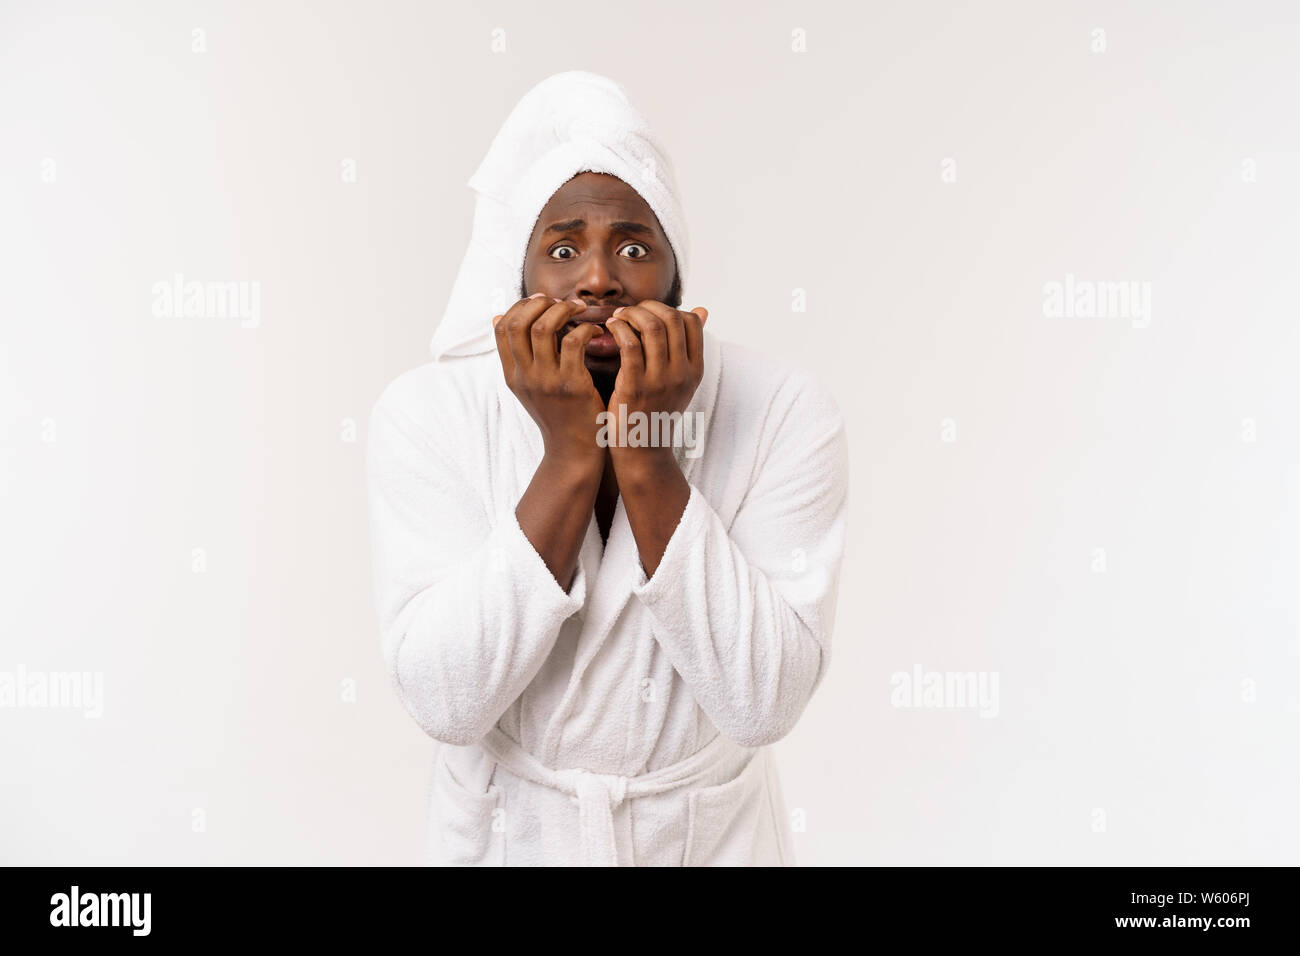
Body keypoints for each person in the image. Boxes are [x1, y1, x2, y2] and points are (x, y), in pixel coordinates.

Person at [365, 71, 849, 866]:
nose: (598, 279)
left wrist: (648, 456)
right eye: (562, 248)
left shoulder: (786, 409)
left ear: (678, 280)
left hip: (707, 842)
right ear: (516, 287)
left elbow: (764, 702)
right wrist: (567, 457)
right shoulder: (427, 415)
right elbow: (446, 699)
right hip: (508, 836)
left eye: (633, 245)